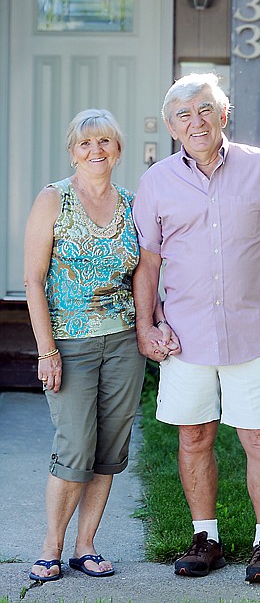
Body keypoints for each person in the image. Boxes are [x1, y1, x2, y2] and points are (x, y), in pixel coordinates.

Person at [132, 73, 260, 584]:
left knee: (259, 438)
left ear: (223, 115)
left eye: (205, 110)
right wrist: (146, 327)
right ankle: (206, 537)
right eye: (185, 115)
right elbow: (148, 263)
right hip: (185, 334)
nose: (197, 121)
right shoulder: (157, 182)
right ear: (171, 126)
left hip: (252, 329)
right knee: (194, 436)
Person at [24, 109, 151, 583]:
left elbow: (142, 272)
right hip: (69, 341)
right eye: (85, 144)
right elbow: (33, 282)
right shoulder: (53, 199)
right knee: (75, 446)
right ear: (72, 151)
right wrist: (46, 350)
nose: (95, 151)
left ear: (118, 149)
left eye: (104, 142)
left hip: (122, 343)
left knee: (109, 450)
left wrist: (146, 326)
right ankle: (50, 547)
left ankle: (85, 546)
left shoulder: (131, 203)